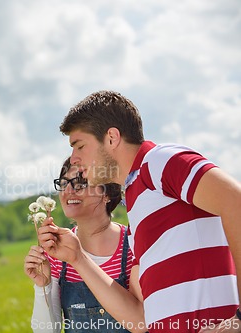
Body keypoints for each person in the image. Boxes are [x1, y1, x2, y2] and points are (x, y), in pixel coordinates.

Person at [38, 90, 241, 333]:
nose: (74, 158)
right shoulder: (136, 201)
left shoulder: (159, 161)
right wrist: (77, 258)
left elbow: (235, 201)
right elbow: (138, 319)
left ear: (111, 138)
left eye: (80, 146)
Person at [24, 157, 140, 332]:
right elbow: (46, 330)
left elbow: (142, 322)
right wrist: (44, 286)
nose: (68, 191)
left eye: (80, 183)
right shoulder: (56, 252)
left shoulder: (134, 245)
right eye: (63, 183)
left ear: (107, 193)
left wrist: (78, 258)